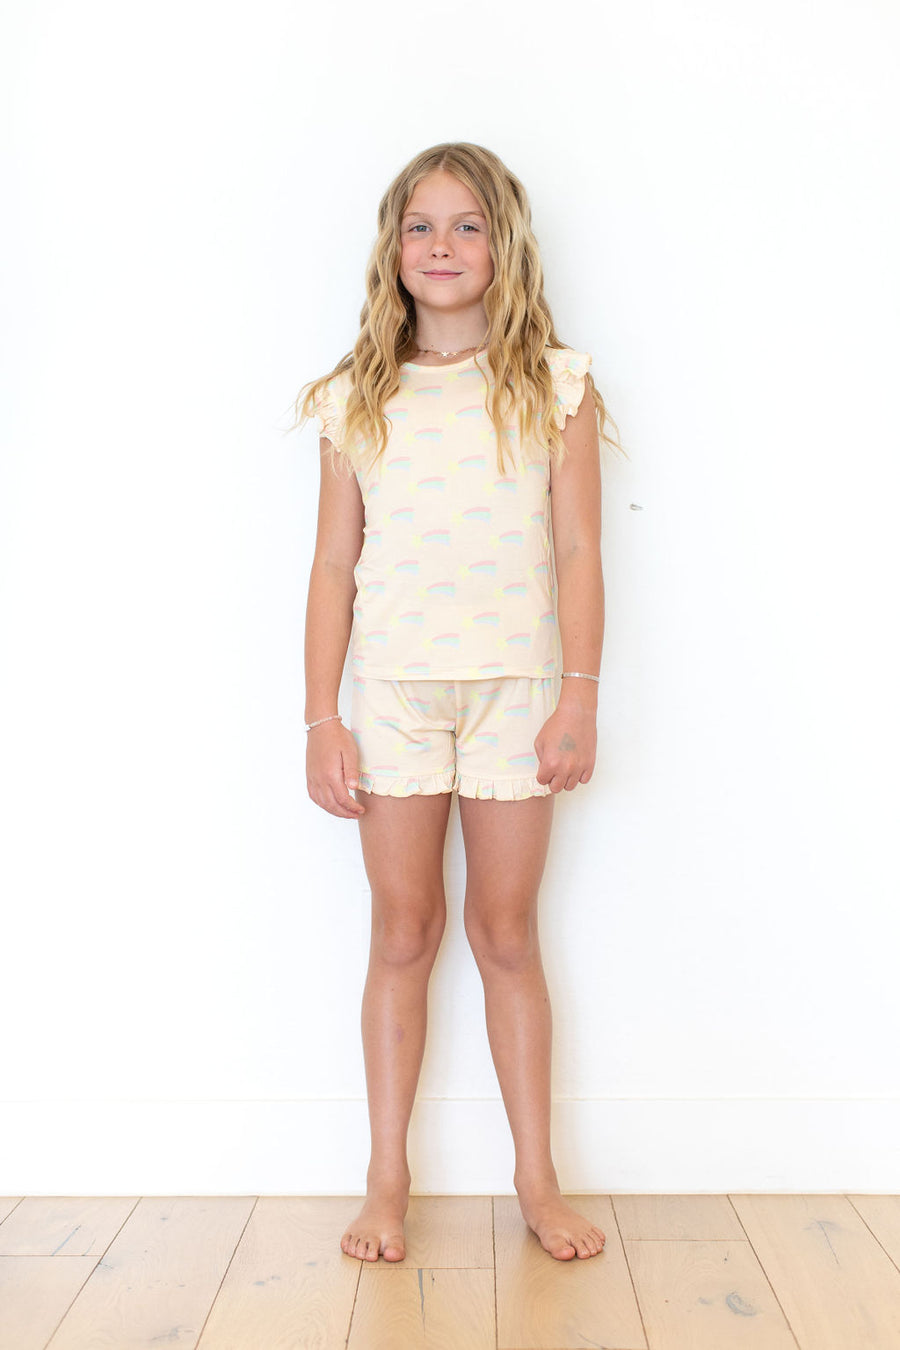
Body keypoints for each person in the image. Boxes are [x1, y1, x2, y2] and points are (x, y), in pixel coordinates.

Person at [292, 142, 622, 1264]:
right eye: (421, 225)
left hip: (518, 693)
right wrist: (322, 717)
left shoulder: (556, 387)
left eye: (467, 224)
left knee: (506, 933)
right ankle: (386, 1179)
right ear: (393, 249)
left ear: (504, 245)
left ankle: (539, 1179)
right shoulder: (357, 396)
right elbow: (332, 566)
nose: (443, 245)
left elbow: (578, 550)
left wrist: (578, 696)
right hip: (392, 695)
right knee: (404, 930)